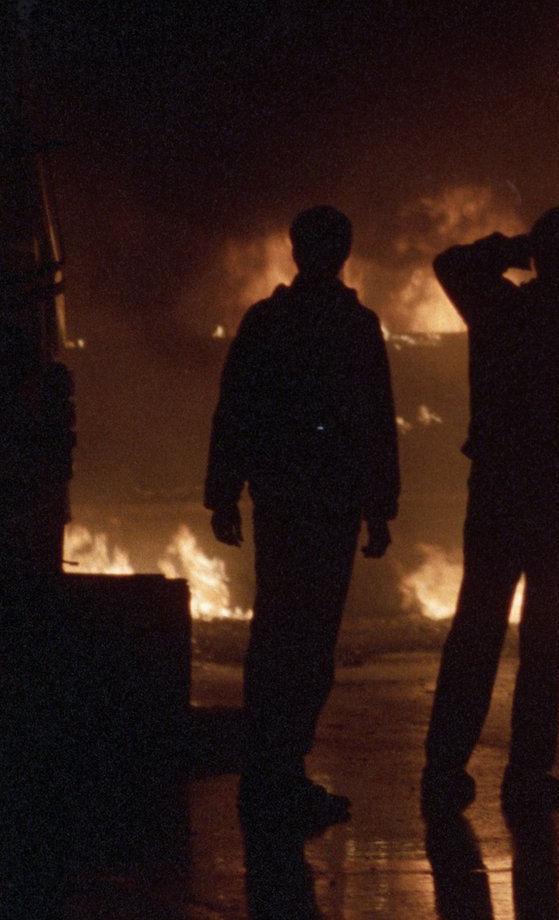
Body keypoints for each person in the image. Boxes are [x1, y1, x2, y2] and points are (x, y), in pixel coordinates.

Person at [420, 202, 559, 816]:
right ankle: (526, 773)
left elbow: (452, 262)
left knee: (477, 627)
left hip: (498, 490)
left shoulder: (499, 308)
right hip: (558, 496)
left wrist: (522, 247)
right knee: (545, 637)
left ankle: (444, 768)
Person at [205, 205, 399, 830]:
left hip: (285, 501)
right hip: (327, 503)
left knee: (277, 636)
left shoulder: (268, 323)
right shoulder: (355, 325)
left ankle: (270, 773)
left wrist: (224, 492)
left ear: (296, 251)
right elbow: (375, 423)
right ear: (342, 253)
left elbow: (233, 410)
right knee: (309, 642)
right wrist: (379, 507)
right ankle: (279, 773)